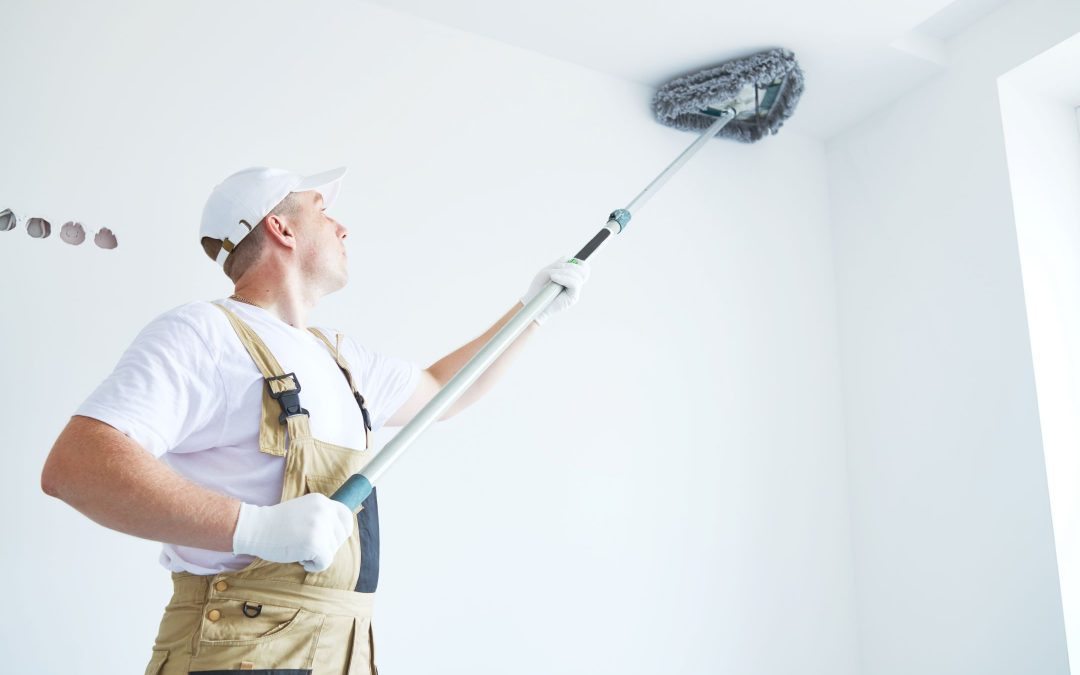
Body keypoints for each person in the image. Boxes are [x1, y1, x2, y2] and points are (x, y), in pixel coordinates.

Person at [39, 165, 590, 674]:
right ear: (280, 227)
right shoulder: (204, 334)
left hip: (343, 645)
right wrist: (253, 528)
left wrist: (531, 311)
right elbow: (76, 465)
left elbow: (441, 391)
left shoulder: (340, 360)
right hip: (241, 645)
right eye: (323, 211)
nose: (343, 228)